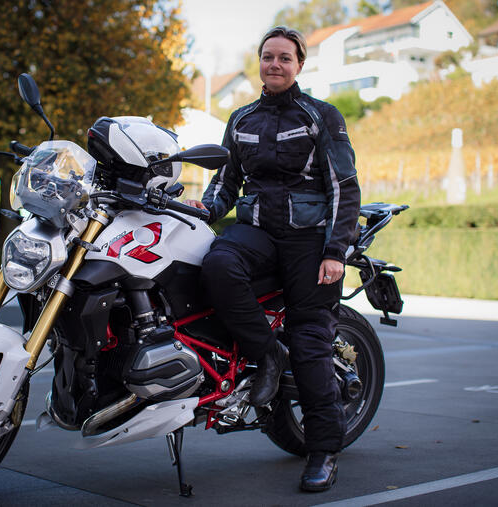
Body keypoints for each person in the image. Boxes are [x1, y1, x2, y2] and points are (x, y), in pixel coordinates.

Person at [185, 26, 361, 492]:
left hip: (308, 241)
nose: (275, 64)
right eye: (268, 57)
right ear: (259, 64)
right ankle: (266, 354)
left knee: (310, 343)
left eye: (285, 57)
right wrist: (204, 207)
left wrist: (335, 252)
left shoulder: (322, 115)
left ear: (300, 65)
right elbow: (225, 183)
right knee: (217, 264)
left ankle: (323, 451)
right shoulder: (241, 118)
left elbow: (344, 187)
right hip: (258, 231)